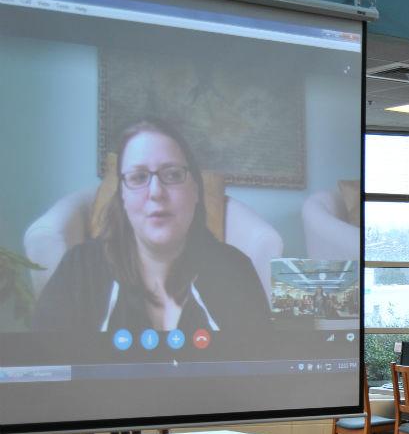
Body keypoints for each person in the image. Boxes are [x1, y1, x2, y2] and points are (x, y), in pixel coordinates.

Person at [33, 119, 270, 332]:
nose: (156, 192)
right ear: (122, 196)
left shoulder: (237, 271)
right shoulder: (79, 271)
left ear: (195, 191)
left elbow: (261, 375)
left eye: (173, 175)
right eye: (138, 177)